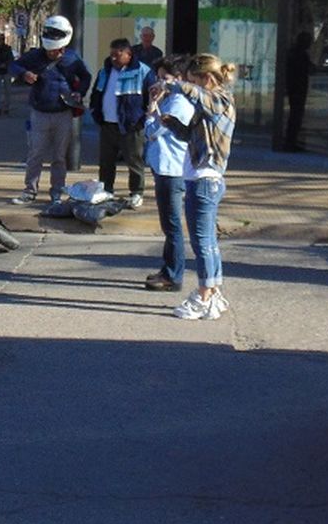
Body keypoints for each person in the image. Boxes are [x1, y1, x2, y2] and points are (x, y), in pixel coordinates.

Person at [159, 53, 236, 320]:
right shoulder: (209, 105)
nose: (192, 86)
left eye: (195, 80)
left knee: (202, 242)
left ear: (207, 78)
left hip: (205, 181)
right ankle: (213, 291)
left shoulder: (220, 99)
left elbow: (199, 96)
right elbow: (191, 134)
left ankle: (204, 296)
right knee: (208, 241)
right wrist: (171, 123)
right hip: (202, 179)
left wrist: (174, 83)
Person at [8, 15, 91, 205]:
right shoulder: (35, 55)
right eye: (50, 50)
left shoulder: (72, 58)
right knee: (35, 154)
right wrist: (24, 73)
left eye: (56, 50)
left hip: (63, 113)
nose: (53, 53)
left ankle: (57, 192)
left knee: (59, 157)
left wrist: (79, 92)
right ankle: (30, 190)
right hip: (40, 113)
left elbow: (86, 76)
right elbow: (13, 65)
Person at [143, 55, 193, 292]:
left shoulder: (178, 105)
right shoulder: (171, 100)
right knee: (168, 224)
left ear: (179, 79)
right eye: (158, 77)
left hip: (172, 170)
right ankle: (168, 269)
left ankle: (174, 275)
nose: (160, 82)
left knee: (172, 225)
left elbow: (152, 131)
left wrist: (152, 107)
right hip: (163, 167)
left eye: (165, 78)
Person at [89, 37, 154, 207]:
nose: (113, 58)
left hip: (131, 126)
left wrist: (143, 119)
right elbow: (97, 93)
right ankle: (106, 190)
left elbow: (151, 97)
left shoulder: (143, 72)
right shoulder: (105, 71)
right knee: (106, 161)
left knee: (134, 160)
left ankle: (136, 192)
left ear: (128, 54)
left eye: (117, 55)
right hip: (107, 124)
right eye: (111, 55)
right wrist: (95, 111)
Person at [283, 30, 314, 152]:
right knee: (295, 116)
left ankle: (292, 141)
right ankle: (290, 142)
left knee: (295, 116)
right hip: (297, 89)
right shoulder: (299, 55)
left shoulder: (295, 53)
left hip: (296, 89)